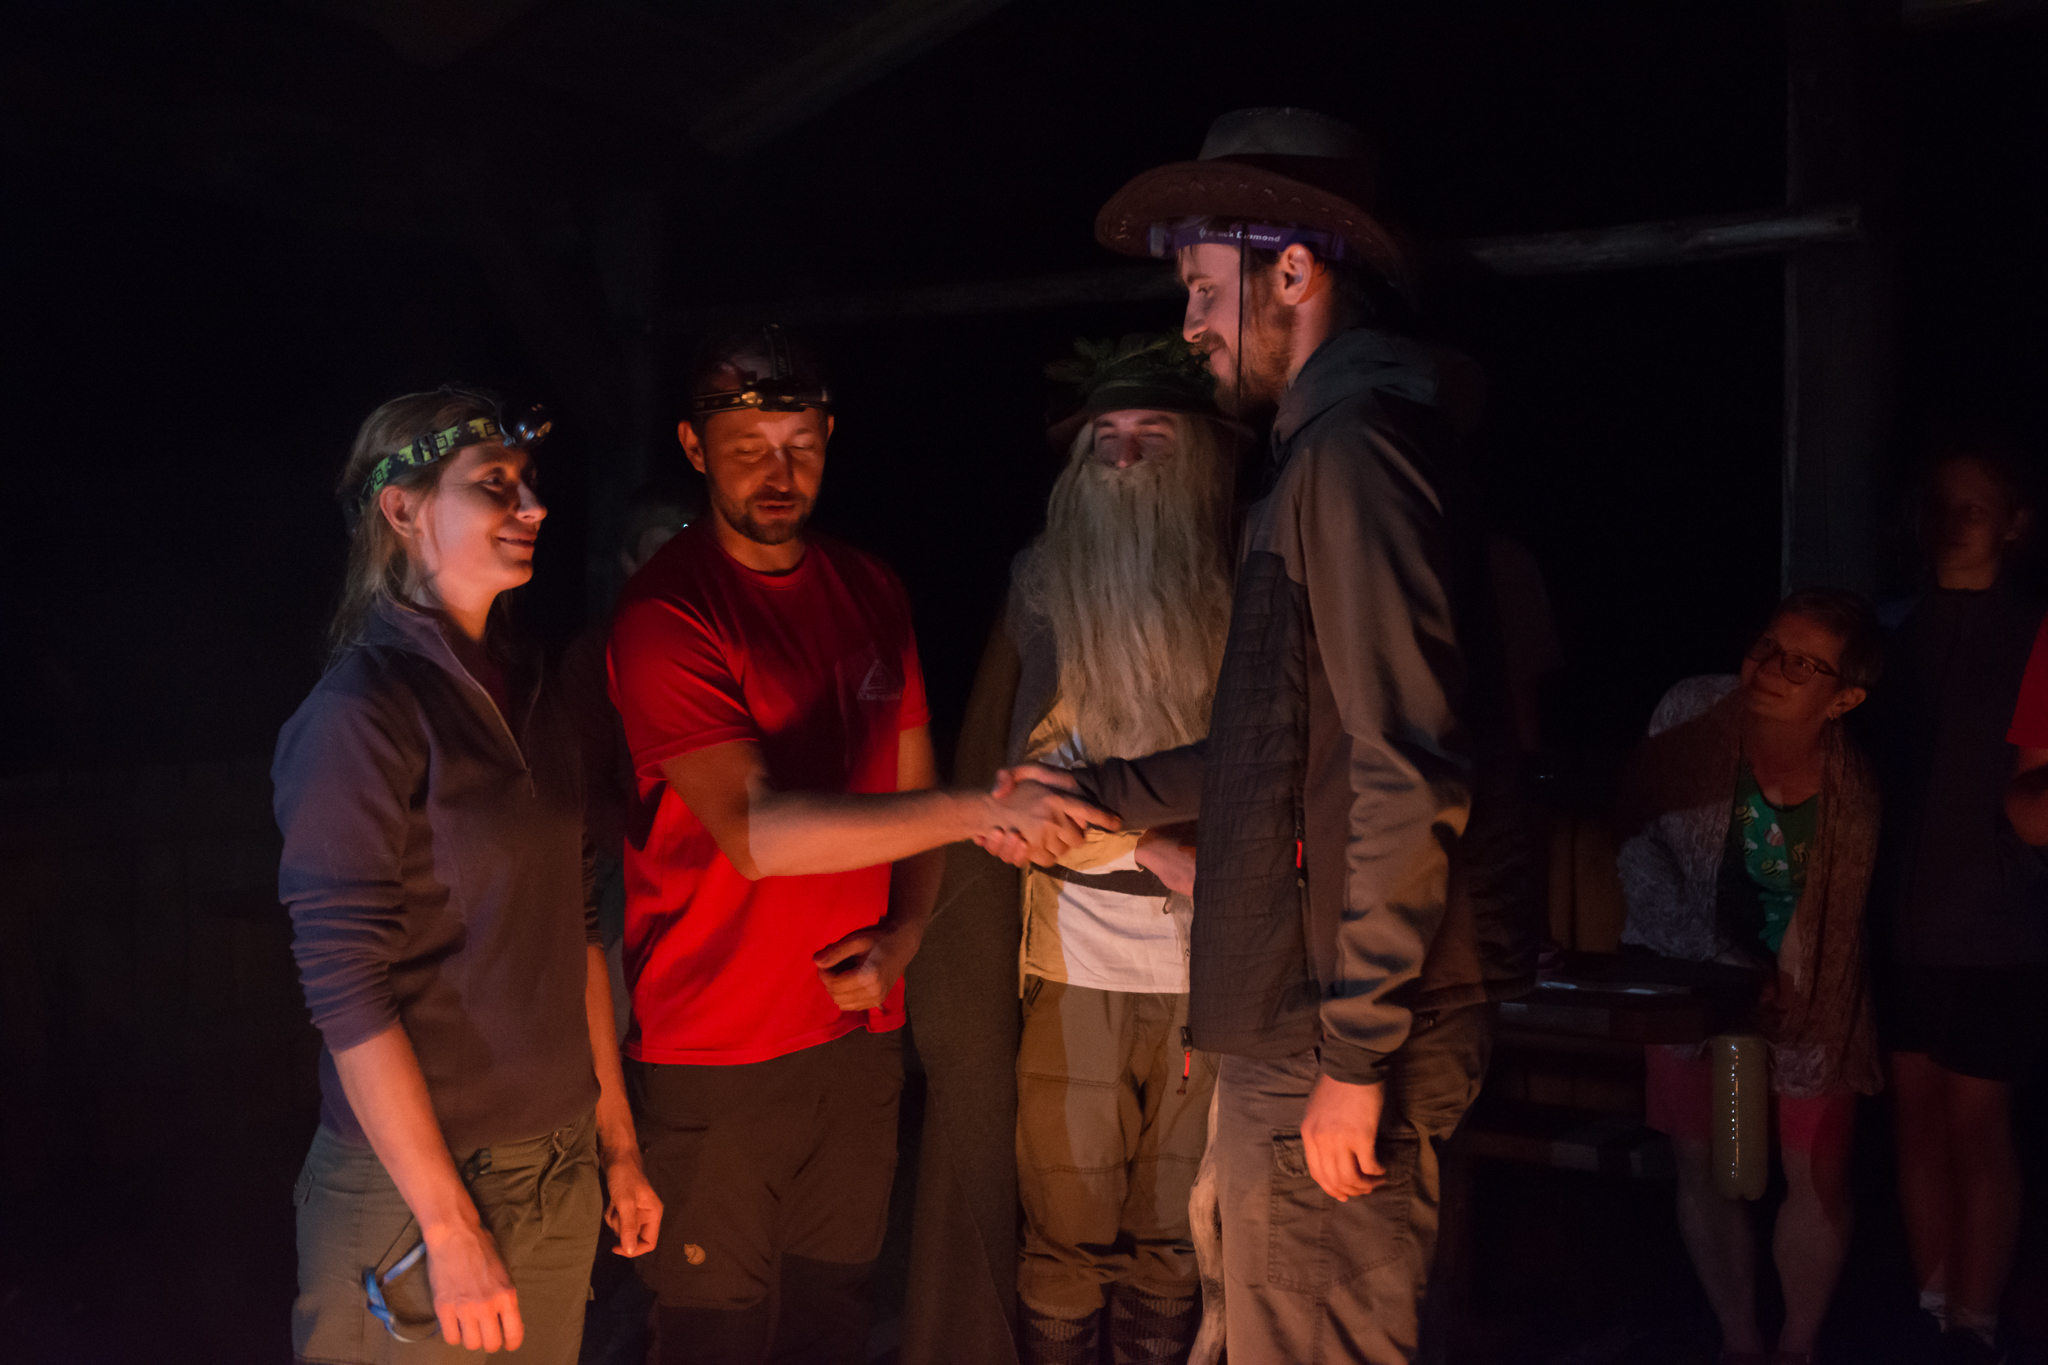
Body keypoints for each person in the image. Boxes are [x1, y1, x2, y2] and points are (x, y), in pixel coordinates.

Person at [997, 107, 1539, 1364]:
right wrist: (1100, 789)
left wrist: (1356, 1052)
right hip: (1307, 1011)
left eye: (1203, 289)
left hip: (1331, 1018)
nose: (1191, 325)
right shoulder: (1318, 456)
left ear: (1290, 272)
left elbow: (1405, 763)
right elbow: (1287, 750)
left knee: (1311, 1336)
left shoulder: (1356, 457)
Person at [606, 325, 1114, 1364]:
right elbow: (758, 833)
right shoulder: (667, 611)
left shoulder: (870, 589)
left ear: (829, 436)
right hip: (717, 1044)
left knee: (831, 1321)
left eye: (799, 444)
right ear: (696, 448)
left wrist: (907, 935)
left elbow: (910, 790)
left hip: (856, 1034)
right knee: (712, 1336)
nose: (777, 472)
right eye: (747, 449)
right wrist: (985, 809)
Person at [275, 387, 662, 1364]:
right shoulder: (361, 713)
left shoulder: (534, 692)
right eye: (494, 484)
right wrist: (449, 1226)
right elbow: (346, 991)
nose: (533, 505)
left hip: (557, 1162)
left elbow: (577, 928)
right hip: (416, 1194)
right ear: (402, 509)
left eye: (528, 482)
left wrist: (615, 1143)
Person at [901, 335, 1237, 1365]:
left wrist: (1178, 842)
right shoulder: (1047, 587)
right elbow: (1024, 796)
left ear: (1199, 453)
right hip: (1077, 959)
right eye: (1105, 439)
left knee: (1177, 1232)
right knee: (1067, 1231)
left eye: (1150, 437)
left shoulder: (1242, 579)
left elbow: (1272, 763)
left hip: (1213, 965)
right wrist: (1151, 844)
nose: (1124, 461)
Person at [1617, 589, 1885, 1365]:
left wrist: (1787, 1000)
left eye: (1801, 664)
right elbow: (1637, 838)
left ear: (1843, 698)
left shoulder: (1851, 790)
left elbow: (1834, 926)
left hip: (1803, 997)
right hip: (1698, 985)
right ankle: (1739, 1338)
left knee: (1814, 1168)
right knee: (1720, 1163)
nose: (1769, 669)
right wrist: (1715, 967)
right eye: (1768, 646)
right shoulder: (1693, 713)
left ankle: (1797, 1345)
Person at [1870, 443, 2045, 1365]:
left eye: (1974, 507)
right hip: (1896, 919)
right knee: (1915, 1116)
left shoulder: (2035, 636)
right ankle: (1931, 1307)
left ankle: (1974, 1326)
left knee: (1977, 1124)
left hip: (1994, 925)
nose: (1951, 522)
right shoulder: (1891, 632)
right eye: (1940, 505)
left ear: (2016, 524)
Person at [557, 476, 702, 1038]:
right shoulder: (597, 655)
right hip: (634, 860)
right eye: (661, 548)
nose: (678, 567)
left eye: (691, 547)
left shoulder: (720, 645)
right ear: (629, 559)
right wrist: (668, 844)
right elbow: (586, 795)